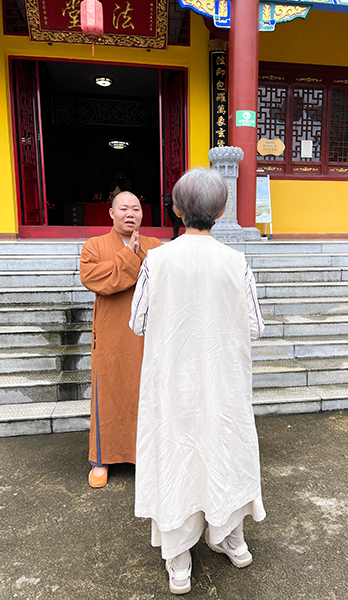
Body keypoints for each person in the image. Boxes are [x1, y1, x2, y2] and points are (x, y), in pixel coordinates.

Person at [130, 168, 266, 595]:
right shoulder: (236, 262)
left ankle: (178, 557)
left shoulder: (156, 260)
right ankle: (228, 535)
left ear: (176, 209)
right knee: (224, 449)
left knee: (176, 454)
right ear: (222, 212)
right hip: (223, 381)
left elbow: (137, 323)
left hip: (173, 383)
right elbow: (255, 326)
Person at [80, 191, 162, 488]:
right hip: (112, 335)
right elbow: (95, 279)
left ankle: (146, 457)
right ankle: (101, 459)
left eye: (136, 209)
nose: (130, 214)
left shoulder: (155, 247)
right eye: (124, 208)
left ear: (142, 214)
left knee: (147, 395)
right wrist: (130, 257)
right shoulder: (94, 246)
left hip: (147, 335)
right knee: (109, 394)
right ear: (111, 213)